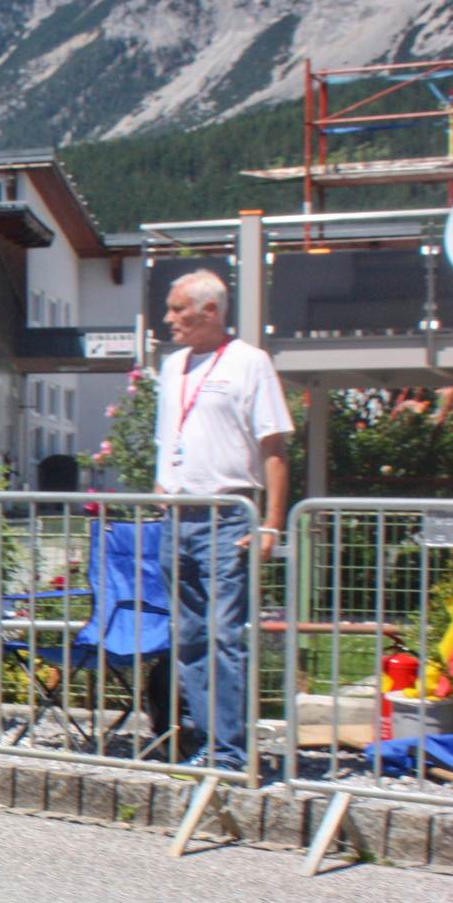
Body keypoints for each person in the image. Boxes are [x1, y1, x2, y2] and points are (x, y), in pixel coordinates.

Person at [152, 269, 292, 772]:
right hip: (177, 517)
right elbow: (169, 436)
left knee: (223, 635)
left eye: (178, 309)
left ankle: (232, 751)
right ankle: (208, 741)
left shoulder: (250, 362)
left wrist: (271, 523)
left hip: (228, 516)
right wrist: (161, 484)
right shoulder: (172, 366)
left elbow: (274, 448)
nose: (168, 318)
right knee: (190, 637)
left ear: (210, 311)